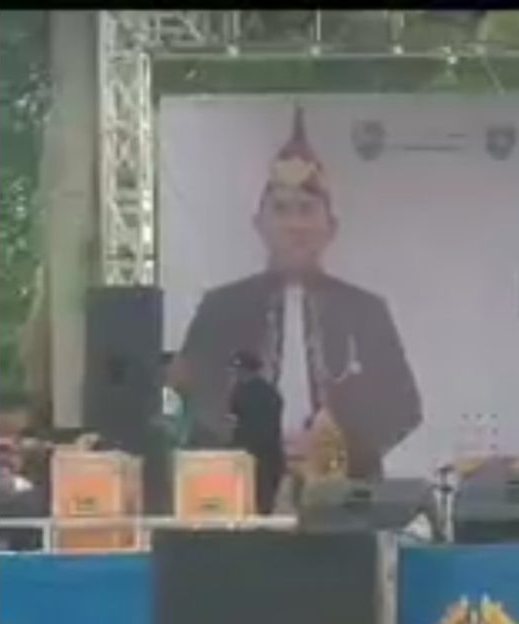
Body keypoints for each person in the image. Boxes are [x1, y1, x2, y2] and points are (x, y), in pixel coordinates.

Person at [178, 107, 421, 482]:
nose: (294, 225)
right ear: (259, 225)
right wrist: (252, 443)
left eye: (307, 210)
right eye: (281, 210)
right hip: (243, 484)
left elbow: (402, 407)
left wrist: (336, 444)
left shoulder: (364, 310)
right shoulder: (221, 307)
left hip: (342, 487)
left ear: (330, 227)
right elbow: (192, 398)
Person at [227, 351, 286, 515]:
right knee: (265, 505)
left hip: (247, 455)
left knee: (246, 505)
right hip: (270, 455)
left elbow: (233, 422)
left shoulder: (239, 393)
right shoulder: (272, 393)